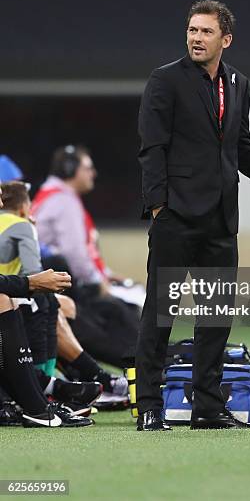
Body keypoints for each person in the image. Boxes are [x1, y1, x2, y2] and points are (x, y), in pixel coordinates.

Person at [137, 0, 250, 431]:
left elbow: (242, 149)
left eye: (205, 32)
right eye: (192, 30)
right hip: (176, 217)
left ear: (225, 39)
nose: (196, 38)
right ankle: (147, 407)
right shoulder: (165, 80)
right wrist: (160, 207)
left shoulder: (238, 83)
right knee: (161, 313)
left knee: (215, 316)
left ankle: (209, 408)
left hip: (220, 219)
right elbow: (151, 148)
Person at [32, 146, 143, 368]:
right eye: (88, 168)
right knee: (120, 309)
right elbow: (75, 255)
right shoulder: (63, 202)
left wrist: (108, 275)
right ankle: (147, 366)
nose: (93, 173)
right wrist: (99, 282)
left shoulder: (55, 197)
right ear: (70, 169)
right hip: (65, 288)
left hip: (57, 285)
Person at [0, 184, 92, 427]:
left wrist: (28, 284)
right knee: (33, 302)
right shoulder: (21, 226)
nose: (1, 205)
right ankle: (40, 401)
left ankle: (36, 400)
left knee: (7, 299)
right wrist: (30, 283)